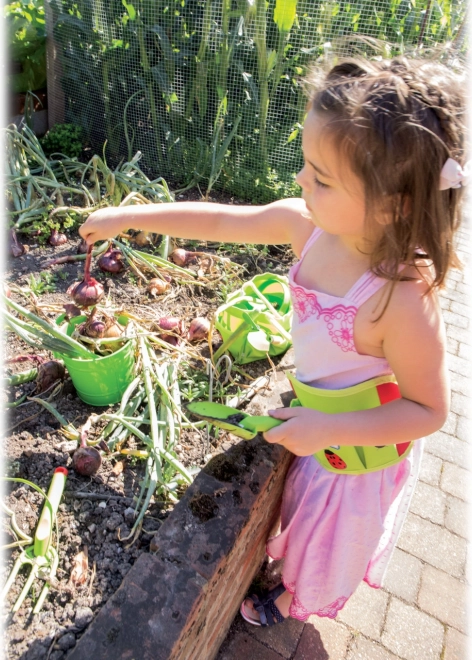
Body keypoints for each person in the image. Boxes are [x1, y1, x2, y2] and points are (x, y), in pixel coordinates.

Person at [80, 56, 466, 626]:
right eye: (306, 165)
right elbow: (221, 222)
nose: (301, 181)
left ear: (393, 204)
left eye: (321, 178)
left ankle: (291, 601)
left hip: (355, 458)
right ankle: (291, 574)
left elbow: (429, 411)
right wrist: (128, 218)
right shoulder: (306, 227)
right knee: (301, 515)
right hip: (318, 422)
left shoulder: (401, 297)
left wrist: (329, 428)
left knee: (326, 540)